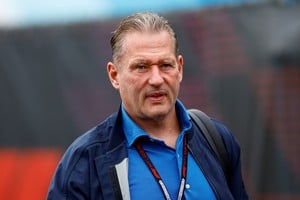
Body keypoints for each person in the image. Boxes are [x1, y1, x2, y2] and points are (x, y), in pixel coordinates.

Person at [47, 12, 248, 200]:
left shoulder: (216, 139)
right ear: (114, 75)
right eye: (141, 67)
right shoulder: (85, 161)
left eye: (165, 65)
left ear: (179, 68)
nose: (156, 79)